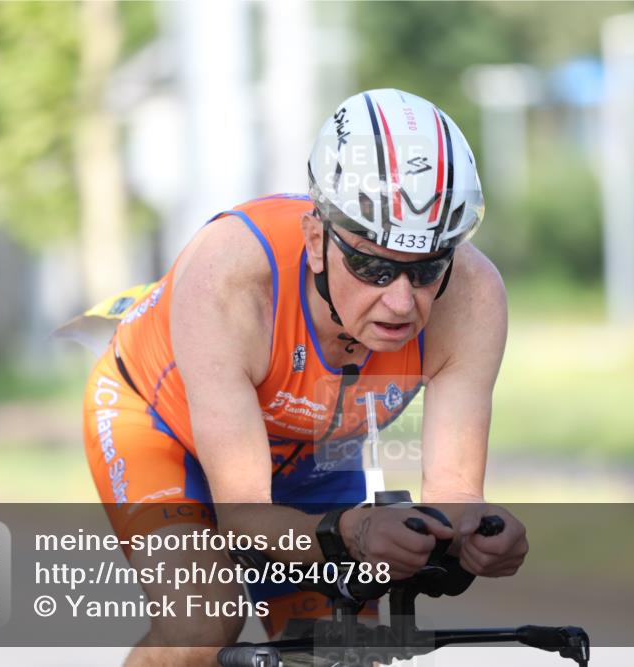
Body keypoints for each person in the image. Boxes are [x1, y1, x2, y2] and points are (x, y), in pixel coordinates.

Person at [81, 88, 528, 667]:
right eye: (372, 265)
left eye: (425, 270)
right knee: (203, 621)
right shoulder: (231, 277)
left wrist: (475, 531)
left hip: (311, 450)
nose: (400, 302)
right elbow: (242, 517)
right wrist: (349, 532)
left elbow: (455, 494)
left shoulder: (471, 298)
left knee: (334, 648)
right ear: (317, 240)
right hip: (162, 427)